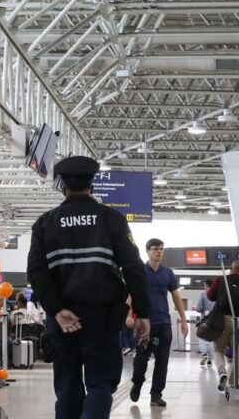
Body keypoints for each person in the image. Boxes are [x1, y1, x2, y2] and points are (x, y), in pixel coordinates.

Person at [27, 156, 151, 419]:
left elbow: (36, 273)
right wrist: (142, 312)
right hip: (103, 317)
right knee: (100, 383)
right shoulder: (111, 220)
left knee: (68, 385)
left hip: (62, 321)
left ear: (63, 188)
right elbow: (134, 268)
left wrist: (57, 310)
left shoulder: (45, 223)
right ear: (92, 186)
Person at [129, 238, 188, 407]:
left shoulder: (168, 273)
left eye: (161, 249)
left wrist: (183, 320)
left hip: (164, 323)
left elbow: (176, 297)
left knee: (162, 361)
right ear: (147, 251)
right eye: (155, 249)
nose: (159, 252)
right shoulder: (140, 271)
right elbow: (130, 295)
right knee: (141, 359)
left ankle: (156, 395)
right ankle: (137, 382)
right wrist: (129, 316)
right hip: (144, 321)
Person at [207, 260, 239, 391]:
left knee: (218, 350)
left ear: (230, 268)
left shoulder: (221, 280)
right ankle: (233, 381)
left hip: (222, 320)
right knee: (238, 352)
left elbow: (210, 296)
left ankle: (222, 373)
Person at [195, 280, 216, 367]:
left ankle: (204, 355)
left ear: (207, 285)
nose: (204, 287)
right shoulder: (217, 295)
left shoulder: (204, 294)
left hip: (205, 320)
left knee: (201, 337)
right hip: (215, 320)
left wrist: (196, 308)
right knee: (212, 340)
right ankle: (210, 361)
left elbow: (199, 308)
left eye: (204, 285)